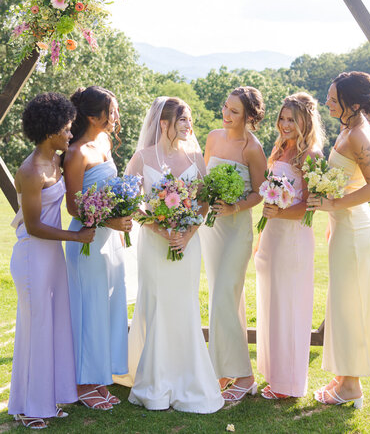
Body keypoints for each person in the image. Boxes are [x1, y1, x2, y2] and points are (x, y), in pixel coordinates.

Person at [114, 97, 224, 413]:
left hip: (187, 246)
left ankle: (186, 375)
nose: (190, 126)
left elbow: (203, 202)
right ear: (164, 124)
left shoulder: (195, 157)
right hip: (154, 243)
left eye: (189, 120)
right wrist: (160, 228)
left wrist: (187, 233)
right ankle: (154, 378)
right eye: (184, 121)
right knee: (157, 303)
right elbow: (132, 202)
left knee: (184, 304)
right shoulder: (142, 158)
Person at [307, 71, 370, 408]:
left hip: (355, 227)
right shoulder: (348, 127)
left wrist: (333, 204)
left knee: (352, 303)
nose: (328, 102)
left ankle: (352, 386)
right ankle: (345, 376)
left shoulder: (360, 135)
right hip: (343, 226)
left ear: (353, 104)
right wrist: (333, 214)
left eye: (333, 99)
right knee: (342, 303)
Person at [8, 93, 95, 429]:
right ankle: (27, 406)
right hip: (33, 257)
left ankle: (48, 398)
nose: (70, 135)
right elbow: (33, 226)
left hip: (53, 257)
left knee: (56, 325)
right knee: (36, 330)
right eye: (67, 129)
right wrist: (76, 237)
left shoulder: (56, 163)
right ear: (49, 131)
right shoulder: (30, 171)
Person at [64, 86, 132, 410]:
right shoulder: (76, 152)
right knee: (89, 309)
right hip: (87, 240)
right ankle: (82, 383)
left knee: (108, 307)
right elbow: (74, 207)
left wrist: (124, 209)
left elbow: (109, 189)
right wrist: (109, 219)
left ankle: (100, 376)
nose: (115, 116)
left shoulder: (104, 141)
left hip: (110, 239)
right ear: (93, 116)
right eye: (111, 110)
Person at [199, 86, 267, 401]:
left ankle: (244, 375)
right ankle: (223, 371)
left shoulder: (253, 148)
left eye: (234, 112)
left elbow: (261, 191)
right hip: (211, 230)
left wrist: (234, 206)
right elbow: (203, 176)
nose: (226, 115)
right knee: (219, 298)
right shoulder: (213, 137)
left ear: (249, 116)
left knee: (225, 294)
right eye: (225, 107)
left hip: (237, 229)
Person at [255, 93, 324, 400]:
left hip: (294, 237)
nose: (284, 125)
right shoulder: (281, 149)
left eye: (291, 120)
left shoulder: (310, 156)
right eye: (282, 118)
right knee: (273, 305)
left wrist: (280, 211)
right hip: (273, 236)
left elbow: (311, 207)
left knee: (291, 308)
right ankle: (275, 376)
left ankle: (290, 385)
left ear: (305, 122)